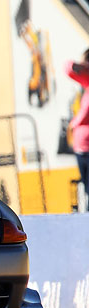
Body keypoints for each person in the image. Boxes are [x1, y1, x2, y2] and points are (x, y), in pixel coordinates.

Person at [65, 49, 89, 203]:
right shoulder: (87, 84)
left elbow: (86, 112)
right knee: (86, 188)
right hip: (81, 148)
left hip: (86, 147)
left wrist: (74, 123)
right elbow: (68, 67)